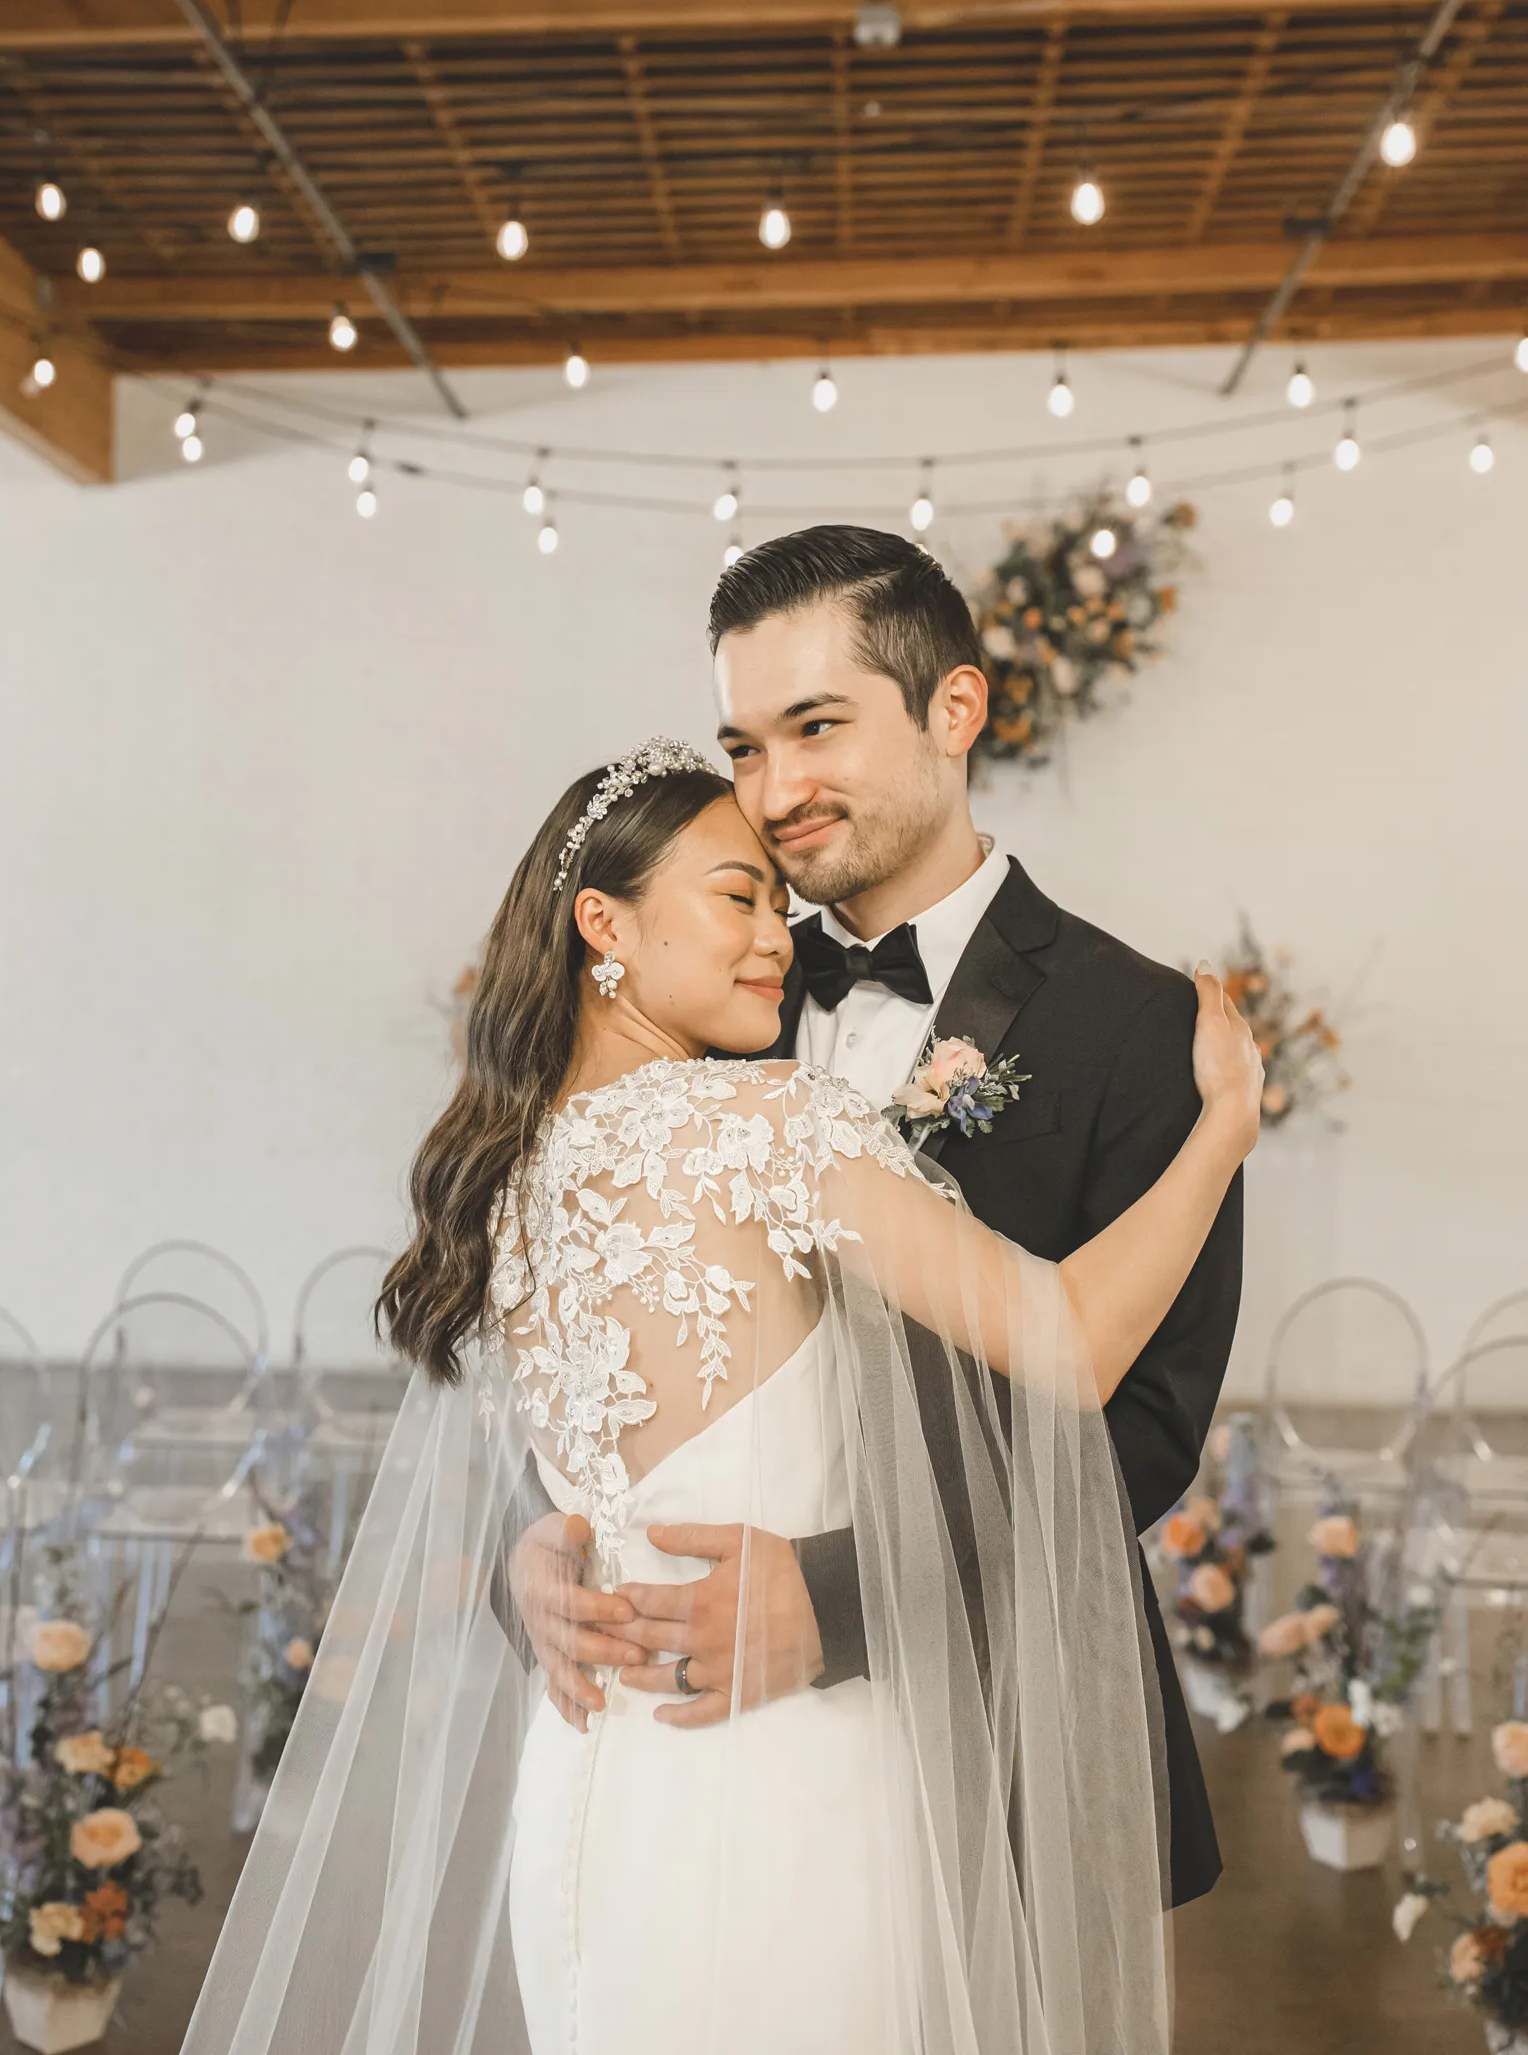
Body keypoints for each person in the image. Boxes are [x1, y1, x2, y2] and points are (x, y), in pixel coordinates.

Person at [182, 722, 1260, 2055]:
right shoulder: (769, 1124)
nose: (776, 939)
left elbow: (574, 1479)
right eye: (738, 898)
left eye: (774, 902)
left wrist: (537, 1549)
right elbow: (1076, 1345)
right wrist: (1222, 1133)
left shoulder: (505, 1179)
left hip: (594, 1788)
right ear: (604, 925)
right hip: (791, 1785)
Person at [511, 525, 1243, 1911]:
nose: (775, 791)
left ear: (953, 709)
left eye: (817, 727)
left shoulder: (1135, 1023)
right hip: (694, 1744)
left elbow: (1146, 1425)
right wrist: (537, 1546)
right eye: (744, 746)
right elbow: (600, 1313)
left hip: (1013, 1726)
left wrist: (841, 1602)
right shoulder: (711, 984)